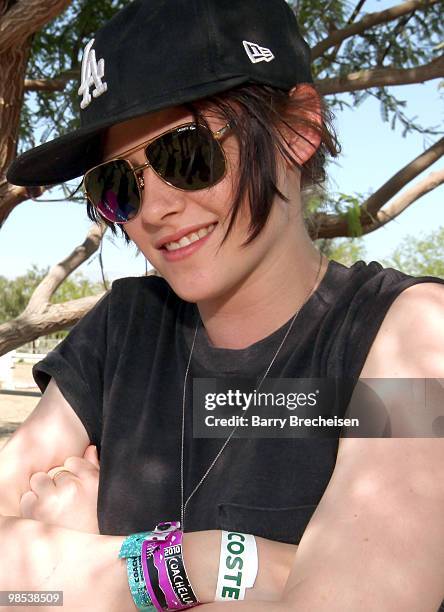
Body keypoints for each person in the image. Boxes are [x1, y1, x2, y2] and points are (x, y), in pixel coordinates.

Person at [3, 0, 444, 610]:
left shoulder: (412, 336)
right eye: (117, 185)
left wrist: (85, 568)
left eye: (185, 154)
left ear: (297, 128)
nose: (153, 211)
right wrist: (209, 563)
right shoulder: (123, 329)